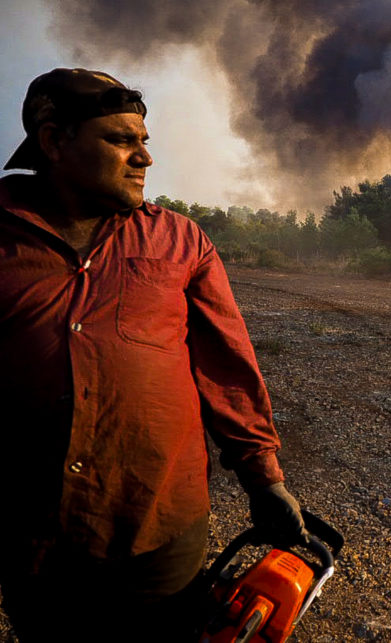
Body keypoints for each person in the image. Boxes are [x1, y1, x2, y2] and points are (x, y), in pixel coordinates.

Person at [0, 68, 305, 641]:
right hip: (33, 535)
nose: (144, 158)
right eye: (121, 140)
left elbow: (226, 368)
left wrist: (263, 479)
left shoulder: (180, 240)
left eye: (144, 141)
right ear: (54, 140)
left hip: (160, 528)